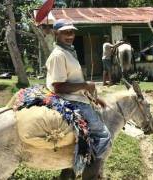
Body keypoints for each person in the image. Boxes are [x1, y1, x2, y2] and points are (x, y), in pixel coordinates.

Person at [45, 19, 112, 174]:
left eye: (72, 32)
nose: (70, 35)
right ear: (56, 33)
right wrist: (85, 85)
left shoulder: (69, 50)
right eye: (65, 32)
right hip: (70, 99)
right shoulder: (58, 55)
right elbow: (59, 86)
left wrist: (94, 97)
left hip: (78, 97)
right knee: (104, 136)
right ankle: (89, 173)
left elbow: (74, 79)